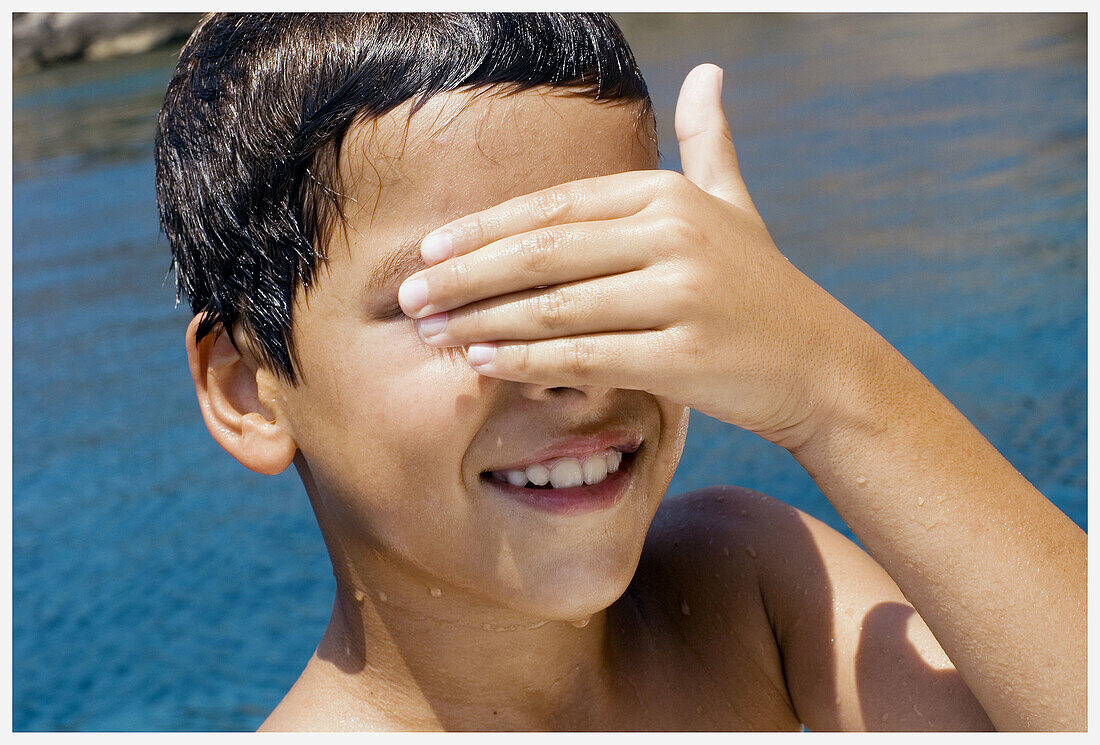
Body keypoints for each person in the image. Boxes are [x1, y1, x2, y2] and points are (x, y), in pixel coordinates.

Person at [154, 13, 1085, 732]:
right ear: (248, 388)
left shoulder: (750, 586)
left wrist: (827, 382)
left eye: (611, 275)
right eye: (453, 300)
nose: (572, 361)